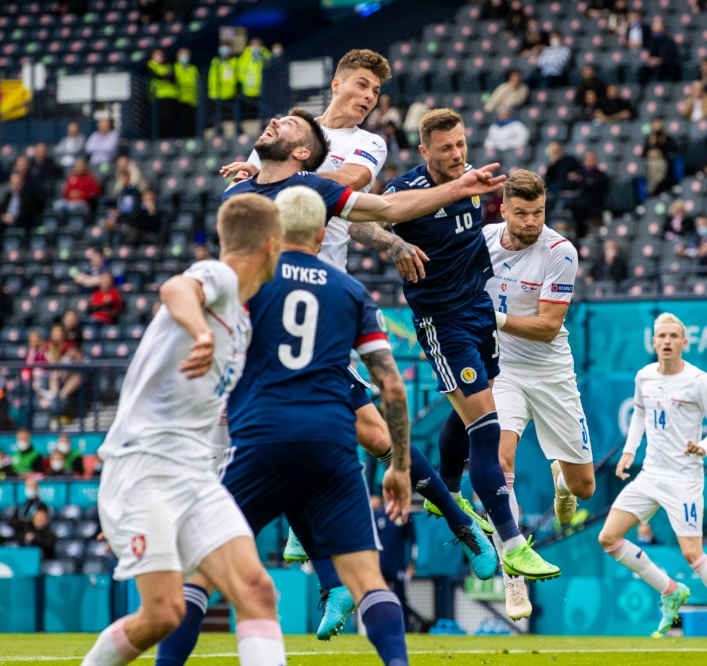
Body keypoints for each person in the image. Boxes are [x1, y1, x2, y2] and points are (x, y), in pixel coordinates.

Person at [185, 109, 503, 643]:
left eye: (286, 124)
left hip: (319, 333)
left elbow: (386, 206)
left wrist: (456, 190)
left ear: (304, 152)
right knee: (286, 441)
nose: (274, 122)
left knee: (370, 436)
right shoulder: (237, 199)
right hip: (254, 348)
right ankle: (335, 582)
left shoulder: (313, 187)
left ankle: (460, 523)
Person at [156, 187, 419, 666]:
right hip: (332, 445)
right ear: (323, 233)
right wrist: (399, 465)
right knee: (367, 580)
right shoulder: (352, 292)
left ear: (274, 232)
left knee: (199, 575)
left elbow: (185, 304)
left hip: (262, 439)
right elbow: (393, 389)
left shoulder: (253, 279)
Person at [79, 193, 288, 666]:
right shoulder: (219, 277)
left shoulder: (243, 321)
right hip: (144, 468)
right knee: (163, 613)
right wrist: (199, 331)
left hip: (193, 475)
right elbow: (176, 288)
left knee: (256, 589)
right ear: (271, 245)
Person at [382, 109, 559, 580]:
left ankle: (449, 491)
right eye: (446, 148)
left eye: (461, 144)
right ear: (424, 151)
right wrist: (392, 244)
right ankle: (512, 543)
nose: (457, 154)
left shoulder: (475, 181)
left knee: (467, 415)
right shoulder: (403, 192)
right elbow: (362, 217)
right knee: (486, 426)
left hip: (479, 312)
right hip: (444, 324)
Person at [596, 313, 707, 656]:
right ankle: (669, 590)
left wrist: (705, 446)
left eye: (673, 336)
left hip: (684, 479)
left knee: (693, 554)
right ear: (653, 343)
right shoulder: (644, 376)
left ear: (684, 342)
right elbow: (639, 414)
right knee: (608, 538)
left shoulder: (698, 380)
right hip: (651, 474)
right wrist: (628, 452)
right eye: (661, 336)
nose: (666, 341)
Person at [477, 171, 595, 621]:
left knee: (585, 486)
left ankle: (562, 478)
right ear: (503, 209)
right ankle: (514, 573)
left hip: (550, 372)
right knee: (498, 460)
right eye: (522, 213)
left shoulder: (560, 251)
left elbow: (547, 329)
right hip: (502, 370)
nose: (531, 222)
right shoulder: (482, 240)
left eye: (538, 213)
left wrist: (494, 317)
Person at [221, 51, 428, 281]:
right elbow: (238, 192)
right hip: (267, 271)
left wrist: (273, 178)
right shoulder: (288, 129)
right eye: (362, 85)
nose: (369, 96)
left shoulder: (369, 142)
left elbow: (351, 178)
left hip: (323, 275)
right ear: (336, 85)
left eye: (375, 92)